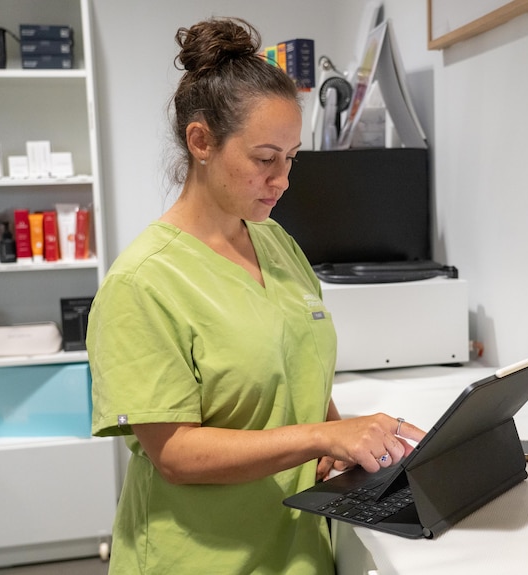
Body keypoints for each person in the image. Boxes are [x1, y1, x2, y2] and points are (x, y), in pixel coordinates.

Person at [86, 16, 424, 575]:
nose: (283, 180)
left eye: (291, 159)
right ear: (201, 142)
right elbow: (176, 455)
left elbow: (301, 374)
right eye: (266, 159)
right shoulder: (143, 283)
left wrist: (345, 445)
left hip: (294, 551)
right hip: (200, 558)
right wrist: (322, 435)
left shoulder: (276, 243)